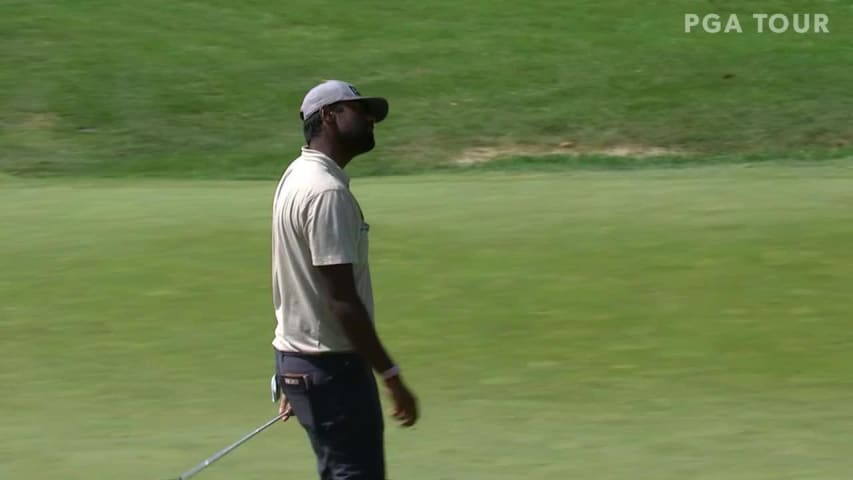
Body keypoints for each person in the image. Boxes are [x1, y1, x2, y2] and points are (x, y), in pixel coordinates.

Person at [271, 80, 419, 480]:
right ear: (329, 116)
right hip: (332, 370)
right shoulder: (326, 193)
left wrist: (292, 374)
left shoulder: (296, 174)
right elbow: (342, 300)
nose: (371, 119)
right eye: (359, 110)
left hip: (303, 362)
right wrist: (391, 376)